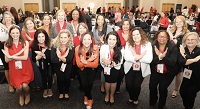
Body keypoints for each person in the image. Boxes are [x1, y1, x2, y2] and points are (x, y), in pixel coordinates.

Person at [2, 25, 34, 106]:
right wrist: (17, 55)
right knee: (19, 87)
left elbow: (25, 57)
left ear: (20, 33)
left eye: (17, 33)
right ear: (10, 34)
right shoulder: (7, 44)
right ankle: (21, 95)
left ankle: (27, 94)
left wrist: (12, 56)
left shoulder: (25, 42)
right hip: (14, 69)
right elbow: (6, 60)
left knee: (25, 86)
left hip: (25, 67)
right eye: (13, 33)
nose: (15, 34)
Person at [149, 30, 178, 109]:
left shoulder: (172, 47)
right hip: (155, 70)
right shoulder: (153, 45)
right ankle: (153, 101)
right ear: (157, 37)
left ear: (168, 38)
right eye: (160, 36)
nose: (162, 38)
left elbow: (172, 62)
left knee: (162, 88)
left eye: (164, 36)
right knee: (152, 86)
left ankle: (162, 104)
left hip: (168, 72)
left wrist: (162, 57)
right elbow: (151, 60)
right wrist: (159, 57)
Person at [124, 27, 152, 106]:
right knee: (129, 85)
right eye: (133, 35)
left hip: (141, 69)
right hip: (130, 67)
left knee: (136, 85)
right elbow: (126, 57)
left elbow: (149, 59)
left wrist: (137, 57)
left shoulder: (147, 44)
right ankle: (131, 97)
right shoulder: (128, 44)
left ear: (141, 34)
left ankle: (135, 98)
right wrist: (139, 56)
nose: (135, 36)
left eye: (137, 34)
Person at [75, 32, 99, 109]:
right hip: (82, 69)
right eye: (84, 39)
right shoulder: (77, 49)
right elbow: (79, 65)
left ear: (91, 41)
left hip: (91, 69)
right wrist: (89, 60)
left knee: (90, 83)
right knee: (84, 83)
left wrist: (85, 61)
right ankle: (90, 98)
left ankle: (86, 95)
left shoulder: (95, 48)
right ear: (81, 40)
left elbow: (95, 65)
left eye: (89, 39)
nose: (87, 41)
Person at [168, 15, 189, 98]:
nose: (178, 23)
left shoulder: (186, 33)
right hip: (170, 53)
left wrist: (175, 38)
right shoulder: (171, 30)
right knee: (168, 70)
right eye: (177, 22)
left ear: (184, 23)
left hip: (179, 54)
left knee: (178, 73)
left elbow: (187, 45)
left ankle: (176, 89)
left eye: (180, 22)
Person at [100, 31, 124, 106]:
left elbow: (121, 61)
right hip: (106, 67)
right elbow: (101, 59)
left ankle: (112, 95)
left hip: (116, 68)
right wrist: (105, 63)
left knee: (113, 82)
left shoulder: (121, 48)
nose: (111, 41)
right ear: (107, 39)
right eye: (110, 39)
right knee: (107, 81)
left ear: (117, 40)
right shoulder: (103, 47)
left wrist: (113, 64)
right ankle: (107, 94)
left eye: (114, 39)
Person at [51, 29, 74, 100]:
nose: (63, 39)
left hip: (68, 65)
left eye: (65, 37)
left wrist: (59, 56)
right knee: (60, 78)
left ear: (69, 38)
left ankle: (66, 91)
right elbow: (53, 60)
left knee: (67, 78)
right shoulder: (54, 46)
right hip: (57, 66)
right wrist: (64, 58)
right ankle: (61, 92)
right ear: (59, 37)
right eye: (61, 37)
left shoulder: (72, 46)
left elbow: (69, 60)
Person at [179, 32, 200, 109]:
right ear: (185, 41)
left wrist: (184, 55)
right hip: (187, 76)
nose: (190, 41)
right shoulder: (183, 49)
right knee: (182, 92)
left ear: (197, 41)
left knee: (191, 94)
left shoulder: (199, 50)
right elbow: (182, 62)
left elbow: (198, 64)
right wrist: (194, 60)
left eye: (192, 39)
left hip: (197, 77)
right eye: (188, 39)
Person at [92, 14, 112, 94]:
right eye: (98, 19)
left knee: (104, 67)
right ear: (96, 20)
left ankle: (103, 84)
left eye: (102, 19)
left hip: (106, 50)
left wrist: (103, 42)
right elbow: (94, 41)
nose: (100, 21)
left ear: (104, 21)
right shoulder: (94, 29)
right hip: (97, 50)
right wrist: (99, 42)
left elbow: (112, 40)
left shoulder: (109, 29)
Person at [22, 17, 42, 91]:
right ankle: (33, 84)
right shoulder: (23, 32)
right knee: (32, 67)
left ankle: (39, 83)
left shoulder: (37, 31)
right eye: (27, 24)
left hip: (38, 51)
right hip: (28, 52)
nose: (29, 25)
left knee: (38, 68)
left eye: (31, 23)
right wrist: (33, 41)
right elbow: (25, 45)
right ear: (25, 25)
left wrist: (30, 40)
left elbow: (40, 42)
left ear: (33, 23)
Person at [31, 29, 53, 98]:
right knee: (43, 76)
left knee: (49, 75)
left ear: (45, 36)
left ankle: (49, 88)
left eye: (42, 36)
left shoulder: (49, 44)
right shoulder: (34, 46)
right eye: (39, 37)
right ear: (36, 38)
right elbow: (34, 59)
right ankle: (45, 89)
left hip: (50, 64)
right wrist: (39, 55)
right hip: (41, 64)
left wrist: (43, 55)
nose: (41, 39)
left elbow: (52, 58)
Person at [0, 11, 15, 93]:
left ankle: (16, 82)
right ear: (4, 19)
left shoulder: (15, 26)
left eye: (9, 17)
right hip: (2, 46)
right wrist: (6, 29)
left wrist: (8, 28)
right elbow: (1, 38)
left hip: (13, 47)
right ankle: (10, 85)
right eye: (6, 17)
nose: (8, 19)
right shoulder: (0, 27)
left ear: (11, 18)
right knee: (7, 67)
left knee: (14, 65)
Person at [116, 18, 132, 93]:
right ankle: (117, 87)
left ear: (130, 25)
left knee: (129, 72)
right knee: (120, 72)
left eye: (127, 24)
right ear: (121, 25)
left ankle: (128, 86)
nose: (125, 26)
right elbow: (116, 45)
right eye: (124, 24)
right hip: (120, 55)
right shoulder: (118, 33)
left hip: (130, 56)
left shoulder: (132, 33)